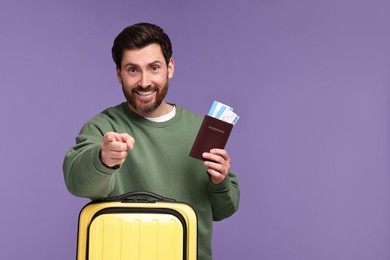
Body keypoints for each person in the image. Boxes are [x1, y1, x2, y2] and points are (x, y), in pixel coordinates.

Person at [63, 22, 240, 260]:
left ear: (170, 68)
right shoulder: (103, 127)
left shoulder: (201, 130)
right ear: (119, 74)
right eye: (132, 70)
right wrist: (102, 159)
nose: (144, 82)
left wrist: (220, 181)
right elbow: (76, 183)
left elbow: (223, 210)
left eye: (154, 68)